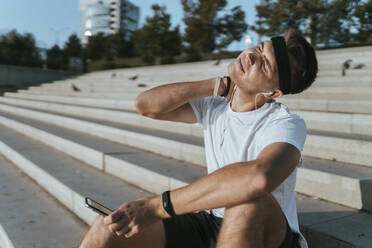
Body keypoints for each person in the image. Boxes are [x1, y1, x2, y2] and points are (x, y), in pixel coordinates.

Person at [78, 28, 318, 248]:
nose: (251, 56)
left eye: (264, 64)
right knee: (106, 230)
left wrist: (156, 207)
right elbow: (146, 105)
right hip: (211, 222)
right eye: (258, 48)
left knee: (246, 204)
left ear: (272, 93)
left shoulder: (285, 123)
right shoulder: (215, 105)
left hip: (266, 232)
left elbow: (259, 178)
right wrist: (219, 85)